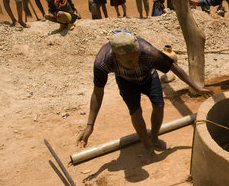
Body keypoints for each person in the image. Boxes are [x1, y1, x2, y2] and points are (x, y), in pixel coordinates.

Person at [76, 31, 213, 163]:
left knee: (159, 105)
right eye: (129, 61)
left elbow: (173, 67)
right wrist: (90, 125)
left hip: (149, 76)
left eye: (137, 57)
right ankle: (147, 145)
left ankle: (154, 138)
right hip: (126, 81)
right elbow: (98, 92)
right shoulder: (102, 62)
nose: (135, 63)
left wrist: (196, 87)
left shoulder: (148, 52)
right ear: (115, 57)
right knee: (135, 111)